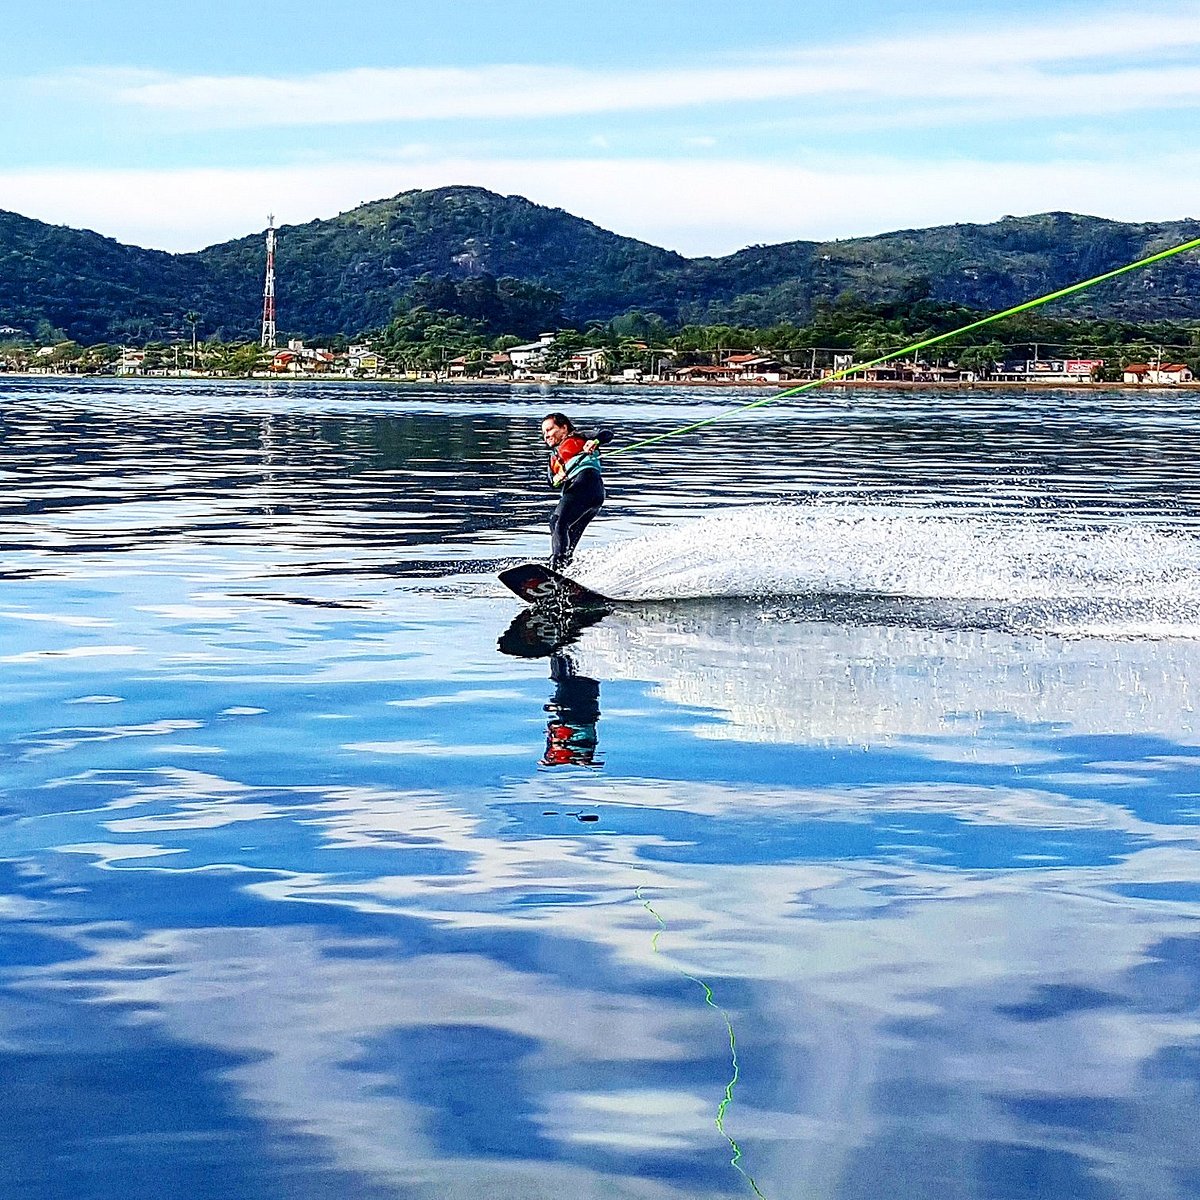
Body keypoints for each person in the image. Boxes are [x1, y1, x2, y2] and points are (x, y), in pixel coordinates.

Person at [540, 412, 611, 572]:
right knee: (565, 534)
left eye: (550, 430)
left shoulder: (578, 436)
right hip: (591, 496)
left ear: (564, 427)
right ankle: (564, 572)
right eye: (544, 433)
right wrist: (557, 477)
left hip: (586, 484)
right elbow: (551, 482)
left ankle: (556, 568)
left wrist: (594, 441)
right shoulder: (553, 459)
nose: (546, 436)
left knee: (557, 522)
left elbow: (607, 434)